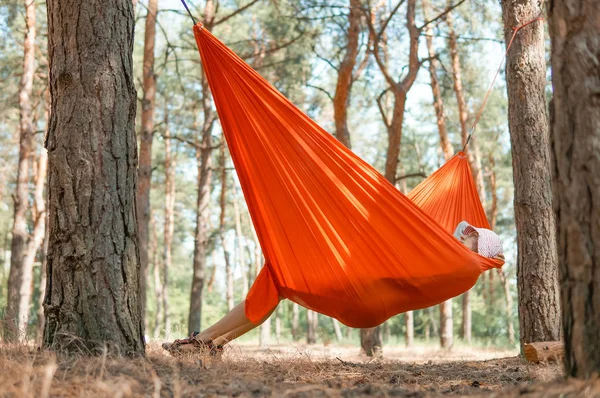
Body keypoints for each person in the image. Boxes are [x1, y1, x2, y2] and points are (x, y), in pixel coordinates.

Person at [163, 220, 503, 356]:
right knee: (277, 280)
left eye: (471, 235)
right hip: (366, 298)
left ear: (480, 248)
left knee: (279, 276)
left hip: (362, 296)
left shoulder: (463, 264)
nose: (464, 235)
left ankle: (202, 342)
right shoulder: (463, 268)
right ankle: (210, 344)